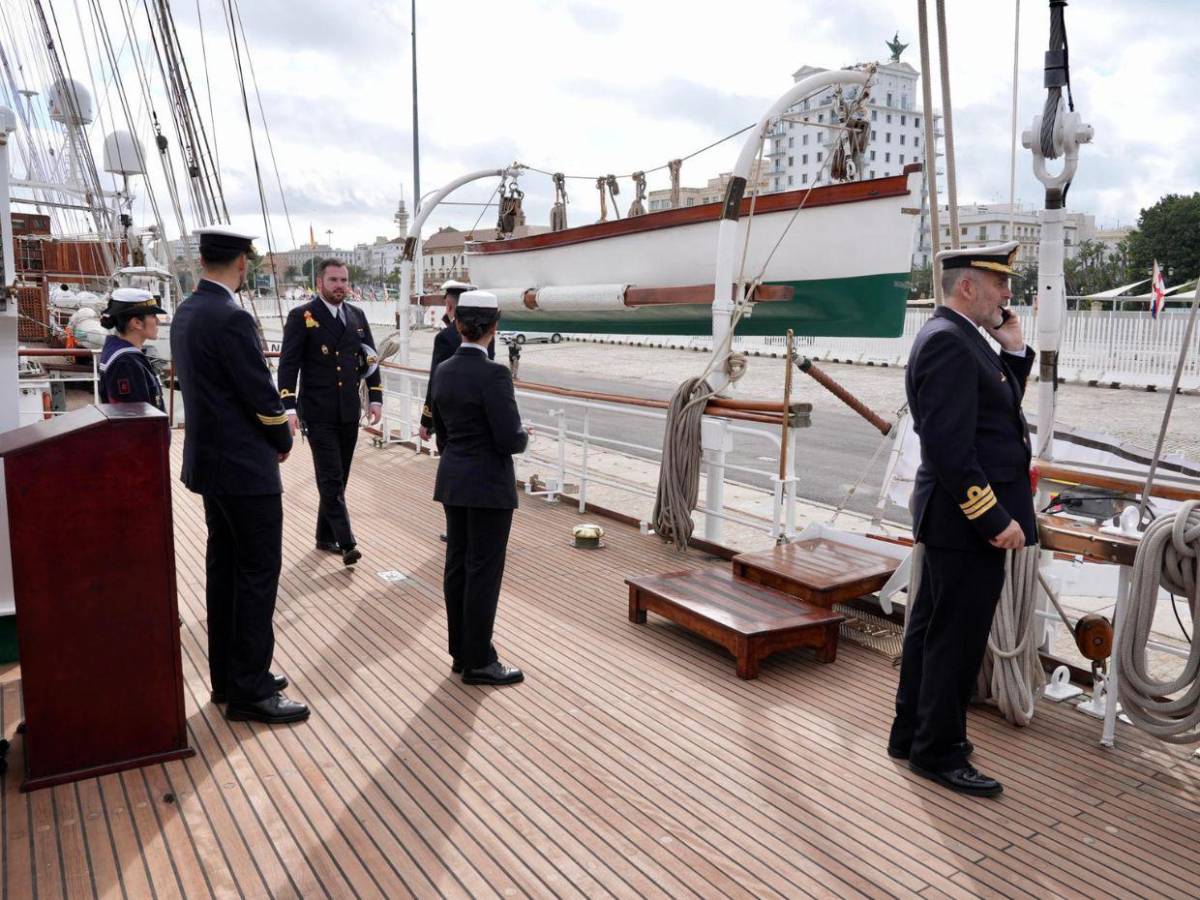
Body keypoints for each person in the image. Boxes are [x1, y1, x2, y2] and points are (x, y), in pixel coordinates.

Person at [887, 241, 1036, 797]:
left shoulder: (960, 339)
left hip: (952, 521)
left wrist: (1016, 351)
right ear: (968, 287)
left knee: (930, 632)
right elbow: (950, 450)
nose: (1007, 295)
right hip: (965, 523)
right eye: (999, 284)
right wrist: (994, 518)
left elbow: (997, 412)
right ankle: (940, 753)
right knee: (955, 641)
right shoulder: (950, 343)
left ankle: (911, 735)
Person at [170, 224, 308, 725]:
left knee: (224, 571)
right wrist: (282, 439)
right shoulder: (231, 317)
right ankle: (250, 689)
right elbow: (259, 393)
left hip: (210, 465)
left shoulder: (186, 313)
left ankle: (230, 677)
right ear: (242, 263)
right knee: (256, 575)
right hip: (246, 469)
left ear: (203, 259)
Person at [430, 290, 529, 685]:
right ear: (494, 327)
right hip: (488, 485)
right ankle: (479, 660)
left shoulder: (443, 370)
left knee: (457, 566)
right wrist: (524, 436)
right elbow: (509, 439)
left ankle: (460, 652)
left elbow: (441, 427)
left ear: (458, 324)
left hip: (454, 479)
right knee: (483, 571)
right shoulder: (495, 374)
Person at [276, 258, 382, 566]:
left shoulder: (356, 315)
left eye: (344, 280)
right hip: (318, 411)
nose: (340, 286)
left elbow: (371, 359)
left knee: (340, 476)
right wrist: (288, 406)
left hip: (348, 410)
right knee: (331, 477)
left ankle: (324, 535)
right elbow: (289, 365)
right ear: (320, 283)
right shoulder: (302, 316)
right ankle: (347, 541)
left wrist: (375, 398)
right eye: (334, 280)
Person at [418, 279, 493, 443]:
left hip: (452, 418)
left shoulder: (444, 338)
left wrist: (426, 419)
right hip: (482, 416)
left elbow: (436, 382)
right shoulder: (487, 335)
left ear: (450, 306)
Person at [97, 287, 166, 410]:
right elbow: (135, 420)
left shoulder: (118, 352)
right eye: (153, 315)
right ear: (136, 323)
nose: (158, 321)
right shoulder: (126, 363)